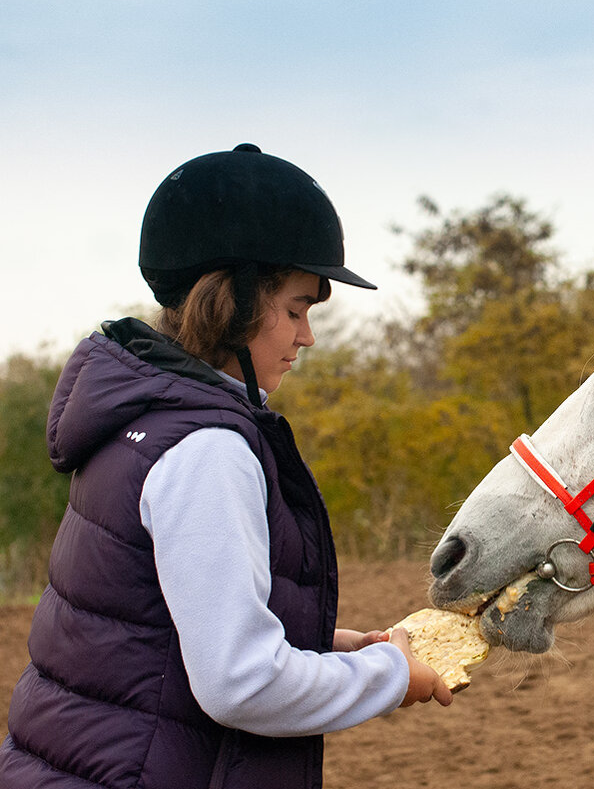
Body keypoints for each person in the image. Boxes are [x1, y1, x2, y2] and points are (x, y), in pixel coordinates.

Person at [0, 144, 452, 789]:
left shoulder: (140, 421)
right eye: (295, 310)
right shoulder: (207, 448)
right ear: (230, 305)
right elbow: (240, 682)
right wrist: (390, 676)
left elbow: (152, 623)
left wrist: (327, 645)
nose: (307, 336)